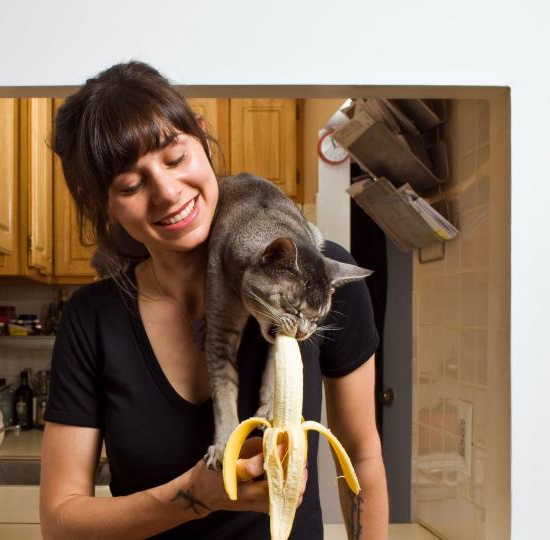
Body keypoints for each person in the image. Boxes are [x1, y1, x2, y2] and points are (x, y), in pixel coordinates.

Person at [40, 61, 389, 540]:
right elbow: (60, 522)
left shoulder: (318, 278)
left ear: (201, 138)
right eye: (130, 184)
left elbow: (362, 455)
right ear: (101, 201)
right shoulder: (91, 320)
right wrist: (196, 497)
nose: (167, 192)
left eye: (175, 157)